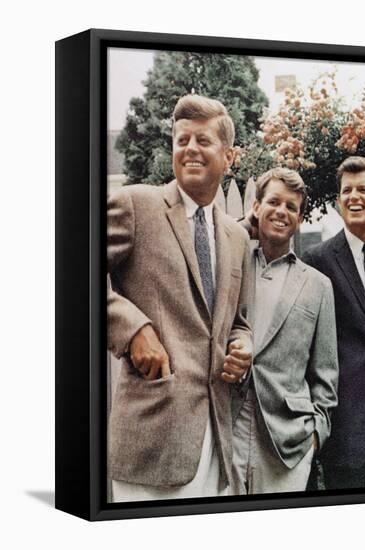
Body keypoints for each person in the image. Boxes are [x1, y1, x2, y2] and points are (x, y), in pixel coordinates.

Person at [107, 94, 253, 502]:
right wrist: (133, 328)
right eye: (182, 139)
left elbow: (238, 320)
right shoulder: (135, 204)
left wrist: (243, 345)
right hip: (150, 439)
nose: (189, 148)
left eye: (203, 140)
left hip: (215, 441)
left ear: (229, 156)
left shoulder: (238, 236)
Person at [231, 167, 339, 495]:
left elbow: (326, 374)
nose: (281, 211)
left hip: (287, 442)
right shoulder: (231, 264)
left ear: (299, 218)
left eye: (291, 207)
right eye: (273, 202)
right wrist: (243, 228)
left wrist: (316, 435)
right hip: (227, 428)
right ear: (256, 207)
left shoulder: (318, 285)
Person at [302, 156, 365, 489]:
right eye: (346, 191)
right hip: (348, 432)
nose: (353, 197)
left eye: (362, 189)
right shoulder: (317, 261)